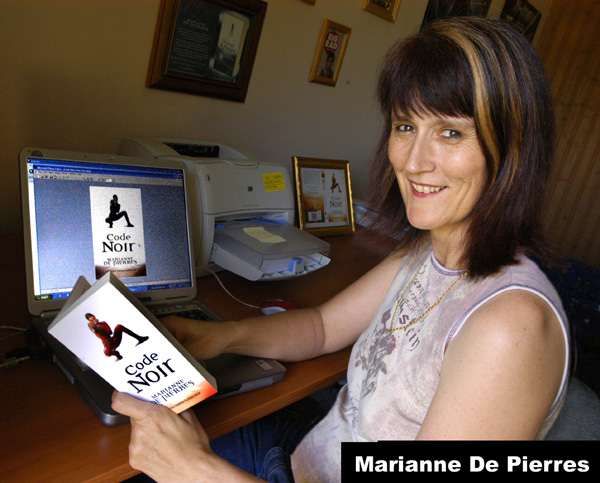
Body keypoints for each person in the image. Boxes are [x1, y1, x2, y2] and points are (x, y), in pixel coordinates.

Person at [111, 17, 570, 482]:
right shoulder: (425, 253)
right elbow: (322, 327)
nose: (413, 162)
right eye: (405, 126)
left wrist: (193, 469)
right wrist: (221, 337)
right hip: (304, 456)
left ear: (513, 149)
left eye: (451, 132)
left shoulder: (509, 329)